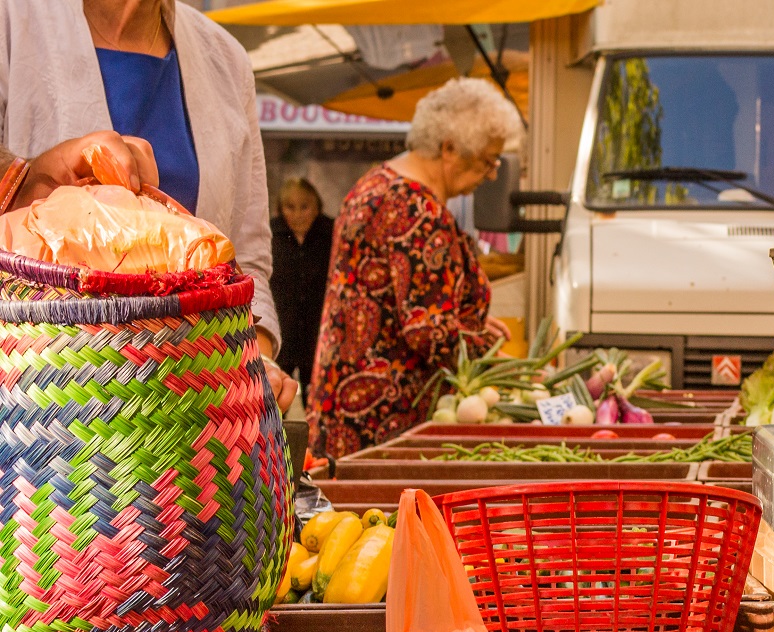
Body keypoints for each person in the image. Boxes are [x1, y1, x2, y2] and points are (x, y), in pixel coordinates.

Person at [0, 0, 297, 407]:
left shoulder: (225, 57)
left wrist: (255, 356)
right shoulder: (12, 19)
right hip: (33, 403)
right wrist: (29, 175)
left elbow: (246, 257)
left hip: (186, 412)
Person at [310, 79, 518, 457]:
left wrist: (467, 321)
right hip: (389, 422)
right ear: (450, 149)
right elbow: (426, 331)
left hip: (342, 406)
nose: (491, 175)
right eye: (488, 161)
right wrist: (496, 356)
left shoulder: (375, 184)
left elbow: (391, 299)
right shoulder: (420, 211)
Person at [270, 177, 334, 390]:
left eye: (304, 207)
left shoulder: (331, 234)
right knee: (277, 394)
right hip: (282, 328)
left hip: (318, 330)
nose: (297, 215)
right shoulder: (270, 235)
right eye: (290, 207)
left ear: (316, 207)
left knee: (318, 392)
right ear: (281, 209)